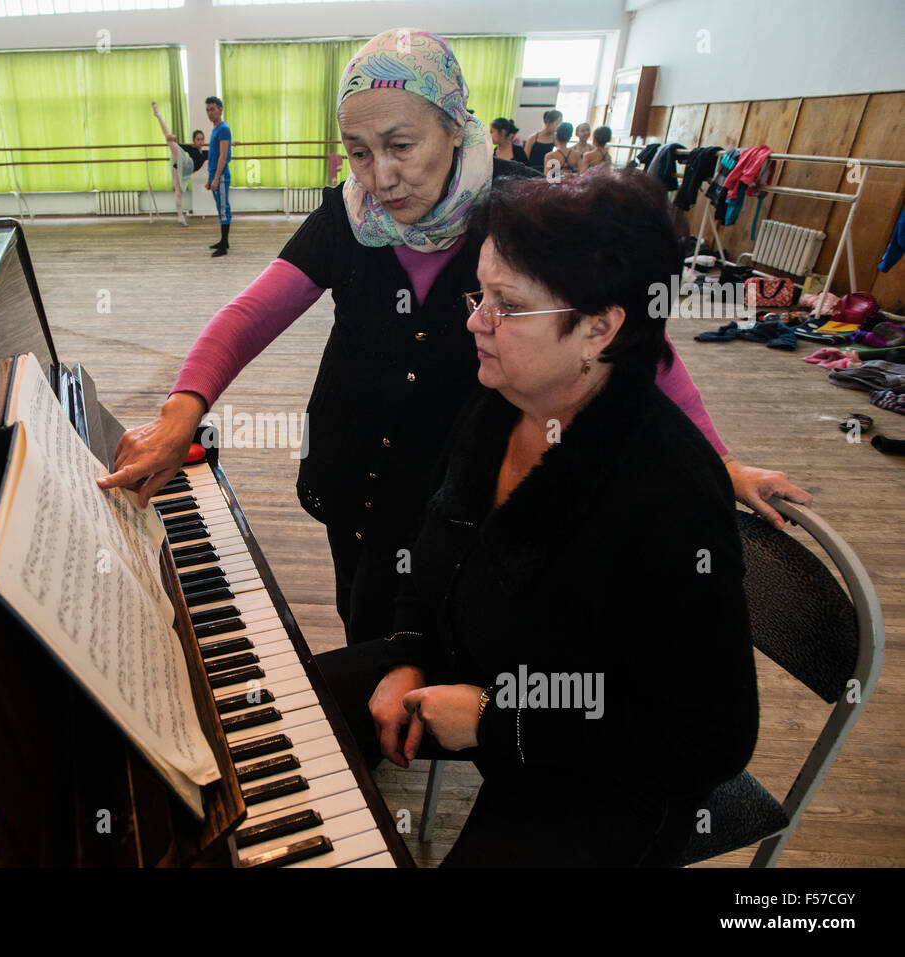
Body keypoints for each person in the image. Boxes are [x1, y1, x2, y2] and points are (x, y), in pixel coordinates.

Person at [98, 28, 810, 647]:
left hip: (453, 478)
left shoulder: (525, 212)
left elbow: (633, 344)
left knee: (432, 614)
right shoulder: (348, 214)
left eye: (400, 145)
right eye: (358, 152)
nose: (380, 177)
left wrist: (719, 462)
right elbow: (252, 312)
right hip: (351, 460)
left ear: (454, 126)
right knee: (359, 603)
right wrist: (182, 409)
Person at [316, 169, 760, 867]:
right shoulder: (503, 400)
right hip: (492, 680)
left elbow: (710, 739)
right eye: (480, 293)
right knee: (284, 719)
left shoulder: (666, 491)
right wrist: (406, 652)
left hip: (611, 777)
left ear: (600, 328)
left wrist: (498, 725)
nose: (474, 321)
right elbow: (433, 551)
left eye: (506, 305)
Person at [152, 101, 207, 226]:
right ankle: (158, 115)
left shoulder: (205, 154)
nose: (200, 141)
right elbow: (180, 146)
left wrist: (230, 144)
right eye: (198, 139)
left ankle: (180, 217)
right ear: (194, 140)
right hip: (183, 164)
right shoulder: (191, 149)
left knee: (179, 192)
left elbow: (218, 149)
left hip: (185, 171)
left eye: (202, 139)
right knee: (171, 142)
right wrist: (174, 140)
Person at [204, 96, 232, 257]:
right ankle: (224, 241)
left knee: (223, 209)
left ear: (220, 109)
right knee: (221, 207)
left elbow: (222, 156)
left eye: (212, 109)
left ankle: (224, 246)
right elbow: (214, 156)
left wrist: (215, 178)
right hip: (215, 175)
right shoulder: (216, 128)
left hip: (220, 176)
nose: (210, 113)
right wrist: (210, 178)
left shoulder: (223, 129)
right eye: (207, 110)